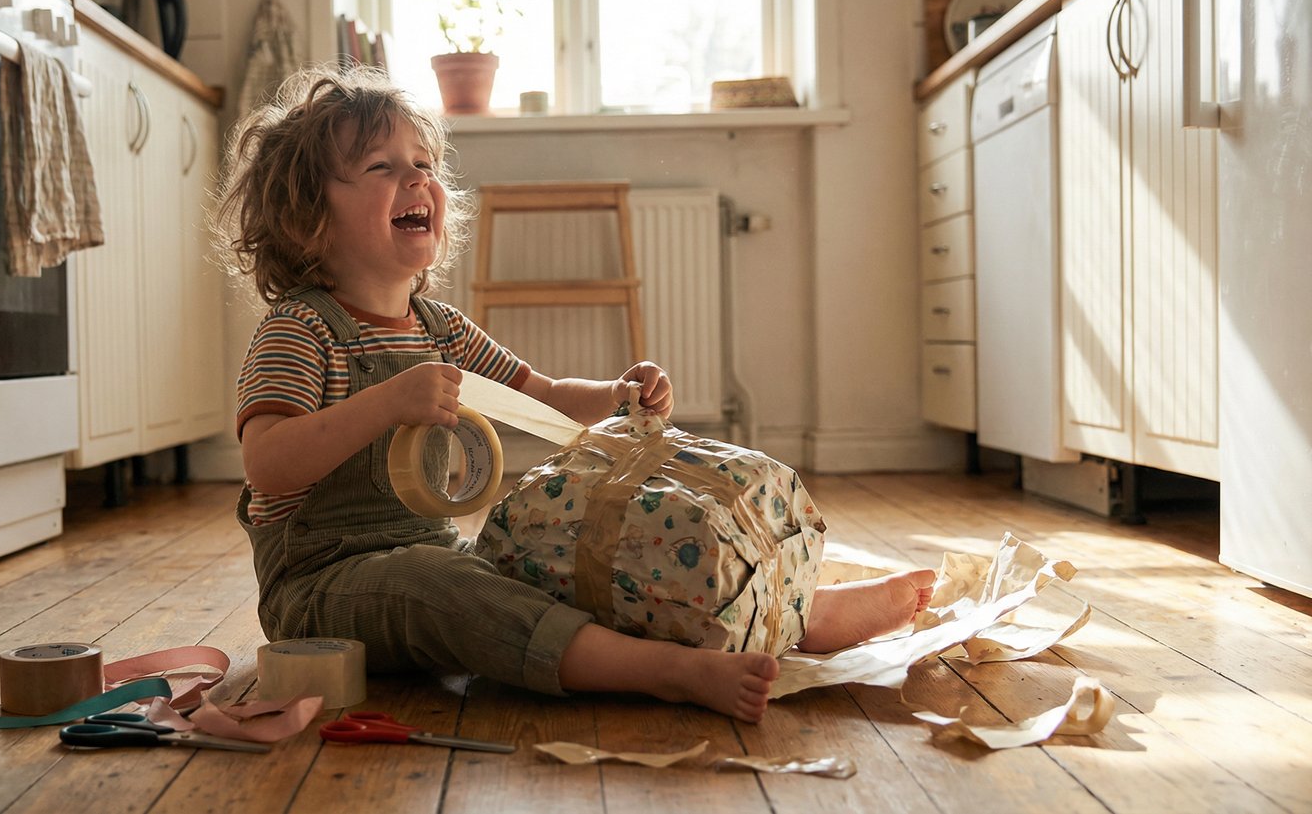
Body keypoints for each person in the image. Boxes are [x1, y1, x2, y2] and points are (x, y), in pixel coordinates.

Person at [215, 66, 933, 724]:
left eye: (424, 166)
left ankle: (787, 609)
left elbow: (545, 394)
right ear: (310, 219)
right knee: (452, 589)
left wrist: (620, 395)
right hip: (320, 586)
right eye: (382, 167)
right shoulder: (299, 331)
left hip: (429, 550)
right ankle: (669, 671)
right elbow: (268, 463)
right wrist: (384, 402)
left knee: (564, 565)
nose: (417, 181)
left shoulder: (439, 327)